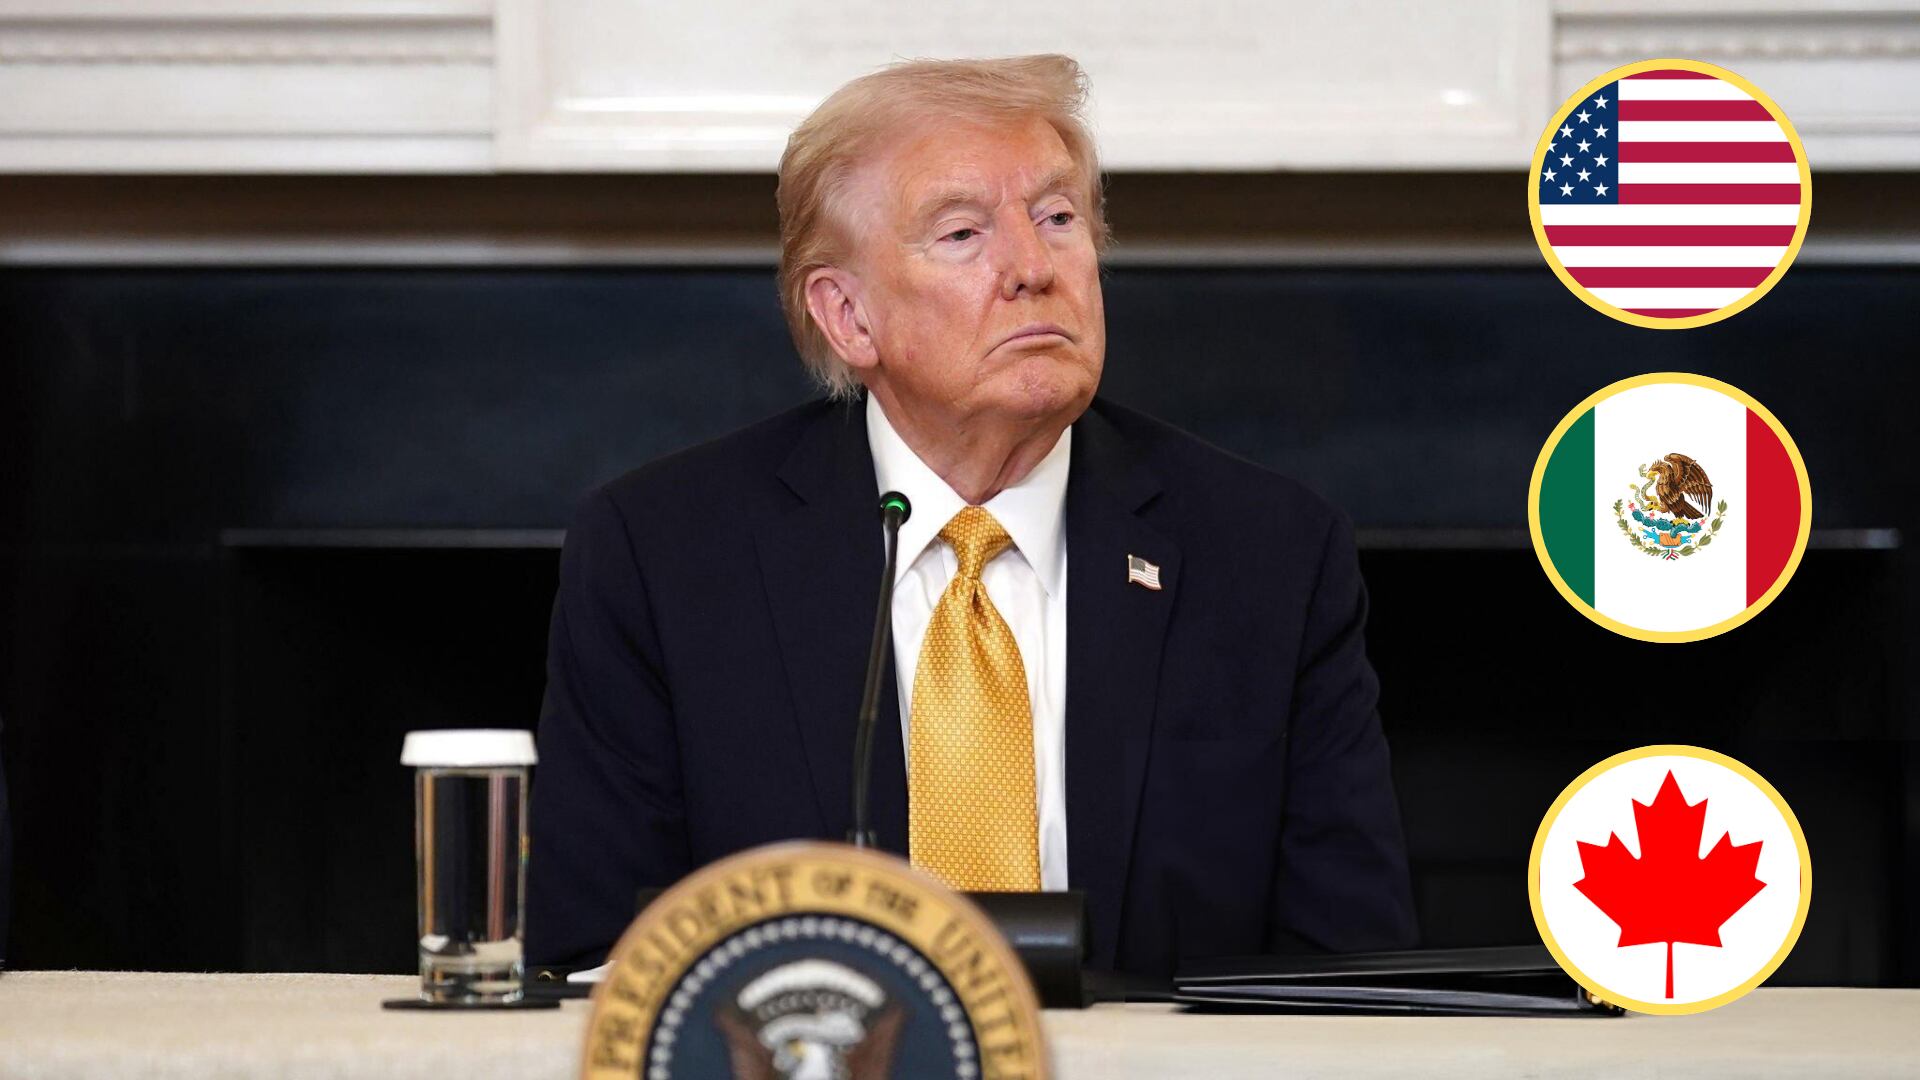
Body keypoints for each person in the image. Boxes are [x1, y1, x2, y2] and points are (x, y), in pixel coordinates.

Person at [526, 54, 1415, 978]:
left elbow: (1349, 977)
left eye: (1059, 218)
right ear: (847, 317)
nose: (1034, 269)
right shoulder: (663, 555)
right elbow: (594, 962)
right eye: (962, 234)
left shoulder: (1267, 552)